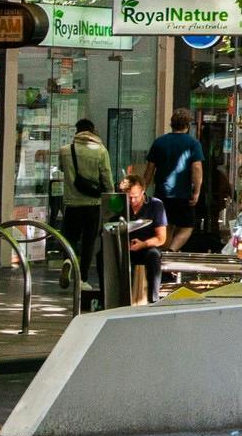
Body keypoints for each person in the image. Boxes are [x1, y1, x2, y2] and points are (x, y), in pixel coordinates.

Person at [58, 118, 115, 308]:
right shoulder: (100, 151)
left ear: (77, 131)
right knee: (89, 241)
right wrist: (111, 198)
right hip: (93, 204)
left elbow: (61, 169)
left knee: (71, 237)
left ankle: (68, 260)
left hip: (71, 203)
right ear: (93, 131)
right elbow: (106, 177)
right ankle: (81, 278)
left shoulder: (65, 150)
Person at [144, 110, 204, 248]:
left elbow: (149, 170)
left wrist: (143, 190)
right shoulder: (193, 143)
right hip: (183, 193)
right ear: (188, 125)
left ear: (171, 124)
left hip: (162, 193)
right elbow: (197, 168)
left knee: (166, 227)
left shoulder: (159, 142)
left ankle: (163, 259)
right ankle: (172, 250)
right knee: (187, 226)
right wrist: (196, 191)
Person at [117, 165, 171, 304]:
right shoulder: (118, 204)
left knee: (153, 256)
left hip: (146, 247)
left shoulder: (155, 205)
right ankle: (108, 297)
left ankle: (153, 299)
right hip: (122, 246)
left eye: (135, 197)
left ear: (143, 191)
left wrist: (144, 244)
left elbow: (161, 238)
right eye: (128, 198)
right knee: (103, 257)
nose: (132, 202)